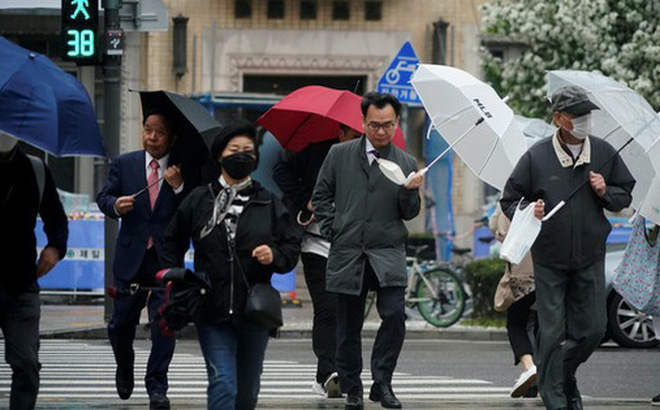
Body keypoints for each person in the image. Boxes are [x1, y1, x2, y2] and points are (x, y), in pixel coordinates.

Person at [500, 85, 635, 410]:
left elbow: (625, 194)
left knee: (592, 329)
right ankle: (556, 397)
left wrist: (605, 191)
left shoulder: (603, 153)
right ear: (559, 118)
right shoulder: (536, 156)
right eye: (578, 115)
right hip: (549, 257)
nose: (585, 120)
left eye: (587, 114)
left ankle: (561, 374)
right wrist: (529, 209)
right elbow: (510, 198)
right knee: (551, 327)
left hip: (590, 255)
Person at [162, 120, 300, 410]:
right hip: (211, 311)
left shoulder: (269, 202)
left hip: (255, 314)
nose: (242, 156)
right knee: (223, 382)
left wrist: (273, 255)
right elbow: (170, 241)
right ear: (220, 155)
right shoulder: (200, 199)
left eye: (248, 151)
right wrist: (180, 280)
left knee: (247, 393)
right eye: (234, 149)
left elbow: (290, 248)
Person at [312, 92, 424, 410]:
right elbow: (321, 195)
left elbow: (409, 213)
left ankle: (383, 382)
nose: (381, 131)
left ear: (396, 123)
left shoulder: (405, 162)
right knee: (347, 324)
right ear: (363, 122)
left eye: (388, 125)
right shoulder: (339, 154)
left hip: (387, 252)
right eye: (374, 125)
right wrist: (334, 228)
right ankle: (352, 386)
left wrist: (409, 193)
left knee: (394, 316)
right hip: (348, 251)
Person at [96, 111, 188, 409]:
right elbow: (104, 197)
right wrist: (115, 205)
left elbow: (194, 208)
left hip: (165, 260)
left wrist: (177, 187)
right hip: (130, 259)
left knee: (164, 327)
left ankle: (157, 387)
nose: (152, 137)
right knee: (120, 325)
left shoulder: (182, 168)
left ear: (171, 137)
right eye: (148, 130)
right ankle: (124, 367)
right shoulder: (125, 163)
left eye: (160, 132)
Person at [272, 124, 361, 398]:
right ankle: (327, 374)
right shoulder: (317, 151)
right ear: (341, 132)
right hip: (316, 242)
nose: (359, 141)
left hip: (353, 246)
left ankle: (344, 372)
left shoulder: (374, 160)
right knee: (327, 308)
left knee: (347, 313)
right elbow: (280, 172)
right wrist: (305, 200)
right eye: (354, 135)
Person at [0, 132, 68, 409]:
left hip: (22, 284)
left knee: (27, 363)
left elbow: (56, 217)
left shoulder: (35, 169)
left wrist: (55, 247)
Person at [489, 202, 537, 398]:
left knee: (516, 323)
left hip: (522, 273)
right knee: (541, 325)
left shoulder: (511, 196)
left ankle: (529, 368)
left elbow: (497, 228)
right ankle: (540, 377)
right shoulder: (549, 191)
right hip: (550, 272)